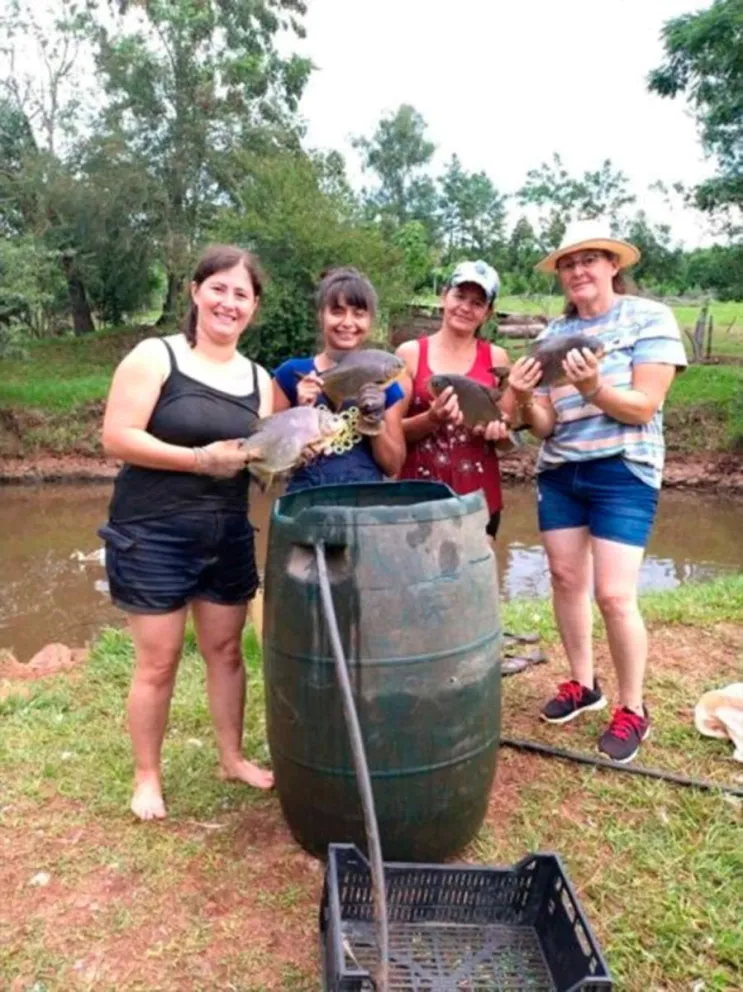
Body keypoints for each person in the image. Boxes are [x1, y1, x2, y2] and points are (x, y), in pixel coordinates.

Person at [99, 244, 275, 821]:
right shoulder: (157, 356)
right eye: (218, 288)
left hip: (225, 533)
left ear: (254, 307)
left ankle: (231, 757)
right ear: (195, 291)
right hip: (152, 532)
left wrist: (295, 451)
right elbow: (118, 437)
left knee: (226, 651)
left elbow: (266, 459)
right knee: (159, 660)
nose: (228, 302)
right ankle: (146, 776)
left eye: (241, 294)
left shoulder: (260, 378)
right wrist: (200, 459)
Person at [505, 218, 687, 763]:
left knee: (612, 594)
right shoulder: (549, 341)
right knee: (564, 578)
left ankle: (633, 708)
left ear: (614, 265)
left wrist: (595, 387)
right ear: (560, 275)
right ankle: (583, 684)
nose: (578, 269)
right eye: (568, 262)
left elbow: (644, 406)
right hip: (561, 469)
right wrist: (523, 397)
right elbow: (545, 426)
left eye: (590, 259)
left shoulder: (650, 317)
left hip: (623, 469)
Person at [396, 260, 511, 538]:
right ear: (443, 295)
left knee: (475, 579)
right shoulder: (410, 354)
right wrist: (431, 418)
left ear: (488, 313)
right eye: (459, 296)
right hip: (417, 496)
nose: (465, 307)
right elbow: (392, 432)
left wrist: (498, 432)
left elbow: (507, 443)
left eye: (477, 302)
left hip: (479, 496)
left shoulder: (497, 358)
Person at [272, 267, 406, 490]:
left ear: (370, 320)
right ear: (320, 315)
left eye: (358, 313)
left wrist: (374, 422)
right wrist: (300, 410)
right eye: (337, 311)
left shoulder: (387, 384)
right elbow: (270, 460)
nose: (347, 322)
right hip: (304, 507)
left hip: (363, 509)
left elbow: (393, 466)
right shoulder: (290, 375)